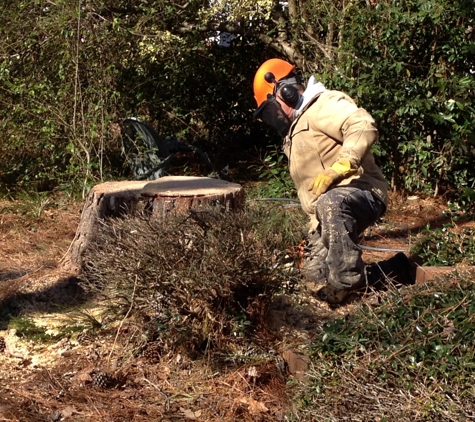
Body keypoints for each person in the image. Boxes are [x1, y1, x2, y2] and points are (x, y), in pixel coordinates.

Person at [253, 58, 414, 305]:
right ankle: (395, 269)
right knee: (315, 278)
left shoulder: (324, 105)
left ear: (285, 92)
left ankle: (349, 286)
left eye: (272, 108)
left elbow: (361, 124)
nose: (274, 117)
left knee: (332, 208)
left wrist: (344, 163)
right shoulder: (296, 128)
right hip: (327, 211)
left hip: (361, 191)